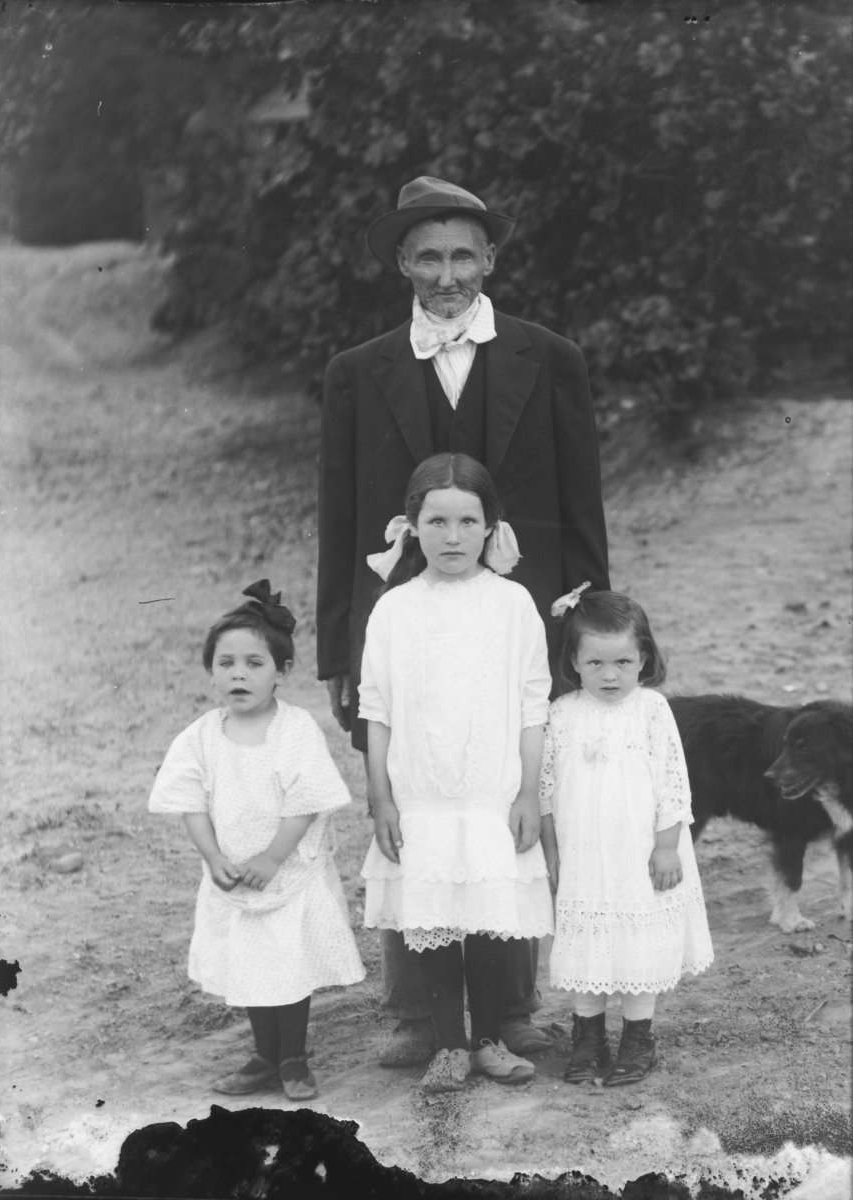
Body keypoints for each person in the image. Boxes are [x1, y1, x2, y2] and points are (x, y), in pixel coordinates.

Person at [317, 176, 610, 1064]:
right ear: (402, 264)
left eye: (462, 257)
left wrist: (590, 625)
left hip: (518, 620)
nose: (447, 276)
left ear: (489, 260)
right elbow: (339, 518)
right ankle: (421, 1013)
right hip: (404, 627)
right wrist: (339, 647)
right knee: (414, 802)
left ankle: (509, 1010)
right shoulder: (358, 371)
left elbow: (581, 503)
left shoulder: (549, 358)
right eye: (428, 258)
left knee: (509, 802)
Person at [359, 453, 555, 1093]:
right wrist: (383, 798)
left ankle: (490, 1039)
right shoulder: (394, 609)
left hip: (492, 791)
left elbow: (532, 706)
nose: (451, 537)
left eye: (467, 521)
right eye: (436, 521)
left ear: (490, 526)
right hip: (422, 794)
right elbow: (377, 711)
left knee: (489, 916)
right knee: (435, 915)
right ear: (411, 526)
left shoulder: (513, 604)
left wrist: (527, 792)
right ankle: (447, 1044)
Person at [148, 580, 365, 1100]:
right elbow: (190, 802)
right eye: (226, 663)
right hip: (233, 872)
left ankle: (293, 1057)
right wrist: (213, 856)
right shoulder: (202, 736)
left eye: (254, 663)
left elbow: (306, 800)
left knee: (286, 961)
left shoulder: (295, 729)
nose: (239, 674)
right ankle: (264, 1054)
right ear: (211, 672)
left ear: (281, 672)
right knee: (250, 960)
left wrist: (272, 857)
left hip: (286, 868)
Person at [539, 587, 714, 1086]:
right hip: (583, 855)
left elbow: (673, 783)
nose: (610, 675)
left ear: (643, 660)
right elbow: (546, 789)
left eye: (622, 662)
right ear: (574, 662)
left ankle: (639, 1039)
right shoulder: (562, 713)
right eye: (595, 663)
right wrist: (551, 852)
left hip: (641, 852)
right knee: (587, 942)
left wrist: (666, 846)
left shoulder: (652, 710)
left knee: (639, 943)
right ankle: (588, 1038)